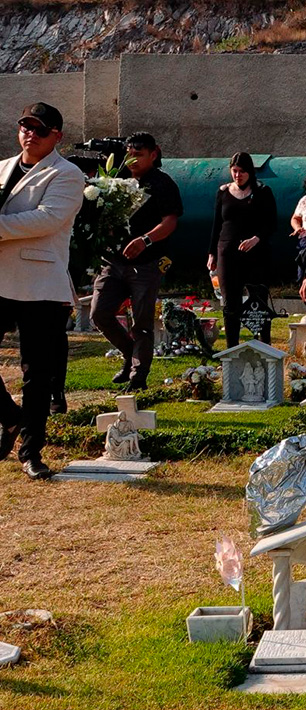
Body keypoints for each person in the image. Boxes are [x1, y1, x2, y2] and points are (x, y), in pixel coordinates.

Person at [0, 102, 85, 480]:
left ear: (57, 136)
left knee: (37, 373)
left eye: (39, 128)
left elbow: (49, 218)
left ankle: (31, 451)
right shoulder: (2, 167)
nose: (29, 133)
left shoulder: (67, 174)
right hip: (0, 278)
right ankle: (10, 416)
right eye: (25, 126)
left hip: (40, 281)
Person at [90, 132, 183, 391]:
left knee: (141, 321)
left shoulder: (163, 184)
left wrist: (145, 240)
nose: (133, 160)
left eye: (139, 155)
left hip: (146, 263)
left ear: (154, 154)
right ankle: (131, 353)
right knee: (100, 314)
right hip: (113, 260)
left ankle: (138, 376)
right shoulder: (117, 179)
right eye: (130, 154)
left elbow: (170, 222)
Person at [208, 152, 276, 348]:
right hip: (227, 251)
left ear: (250, 172)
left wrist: (257, 238)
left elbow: (271, 223)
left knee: (258, 298)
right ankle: (232, 347)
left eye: (242, 172)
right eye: (234, 171)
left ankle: (265, 344)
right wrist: (212, 253)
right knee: (230, 301)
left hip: (256, 253)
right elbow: (217, 224)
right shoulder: (222, 192)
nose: (238, 175)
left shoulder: (263, 191)